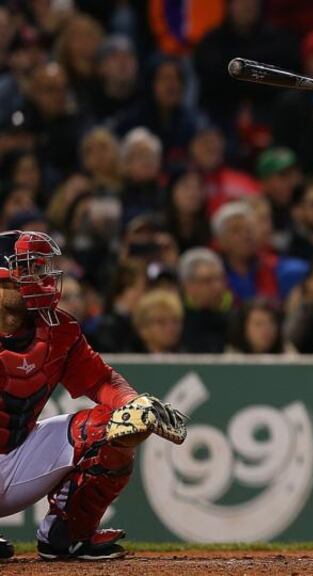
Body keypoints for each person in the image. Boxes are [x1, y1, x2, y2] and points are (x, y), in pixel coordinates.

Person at [0, 230, 184, 560]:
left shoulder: (59, 330)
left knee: (115, 426)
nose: (40, 280)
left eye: (41, 269)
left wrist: (132, 403)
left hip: (14, 460)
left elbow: (100, 381)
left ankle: (67, 535)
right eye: (27, 269)